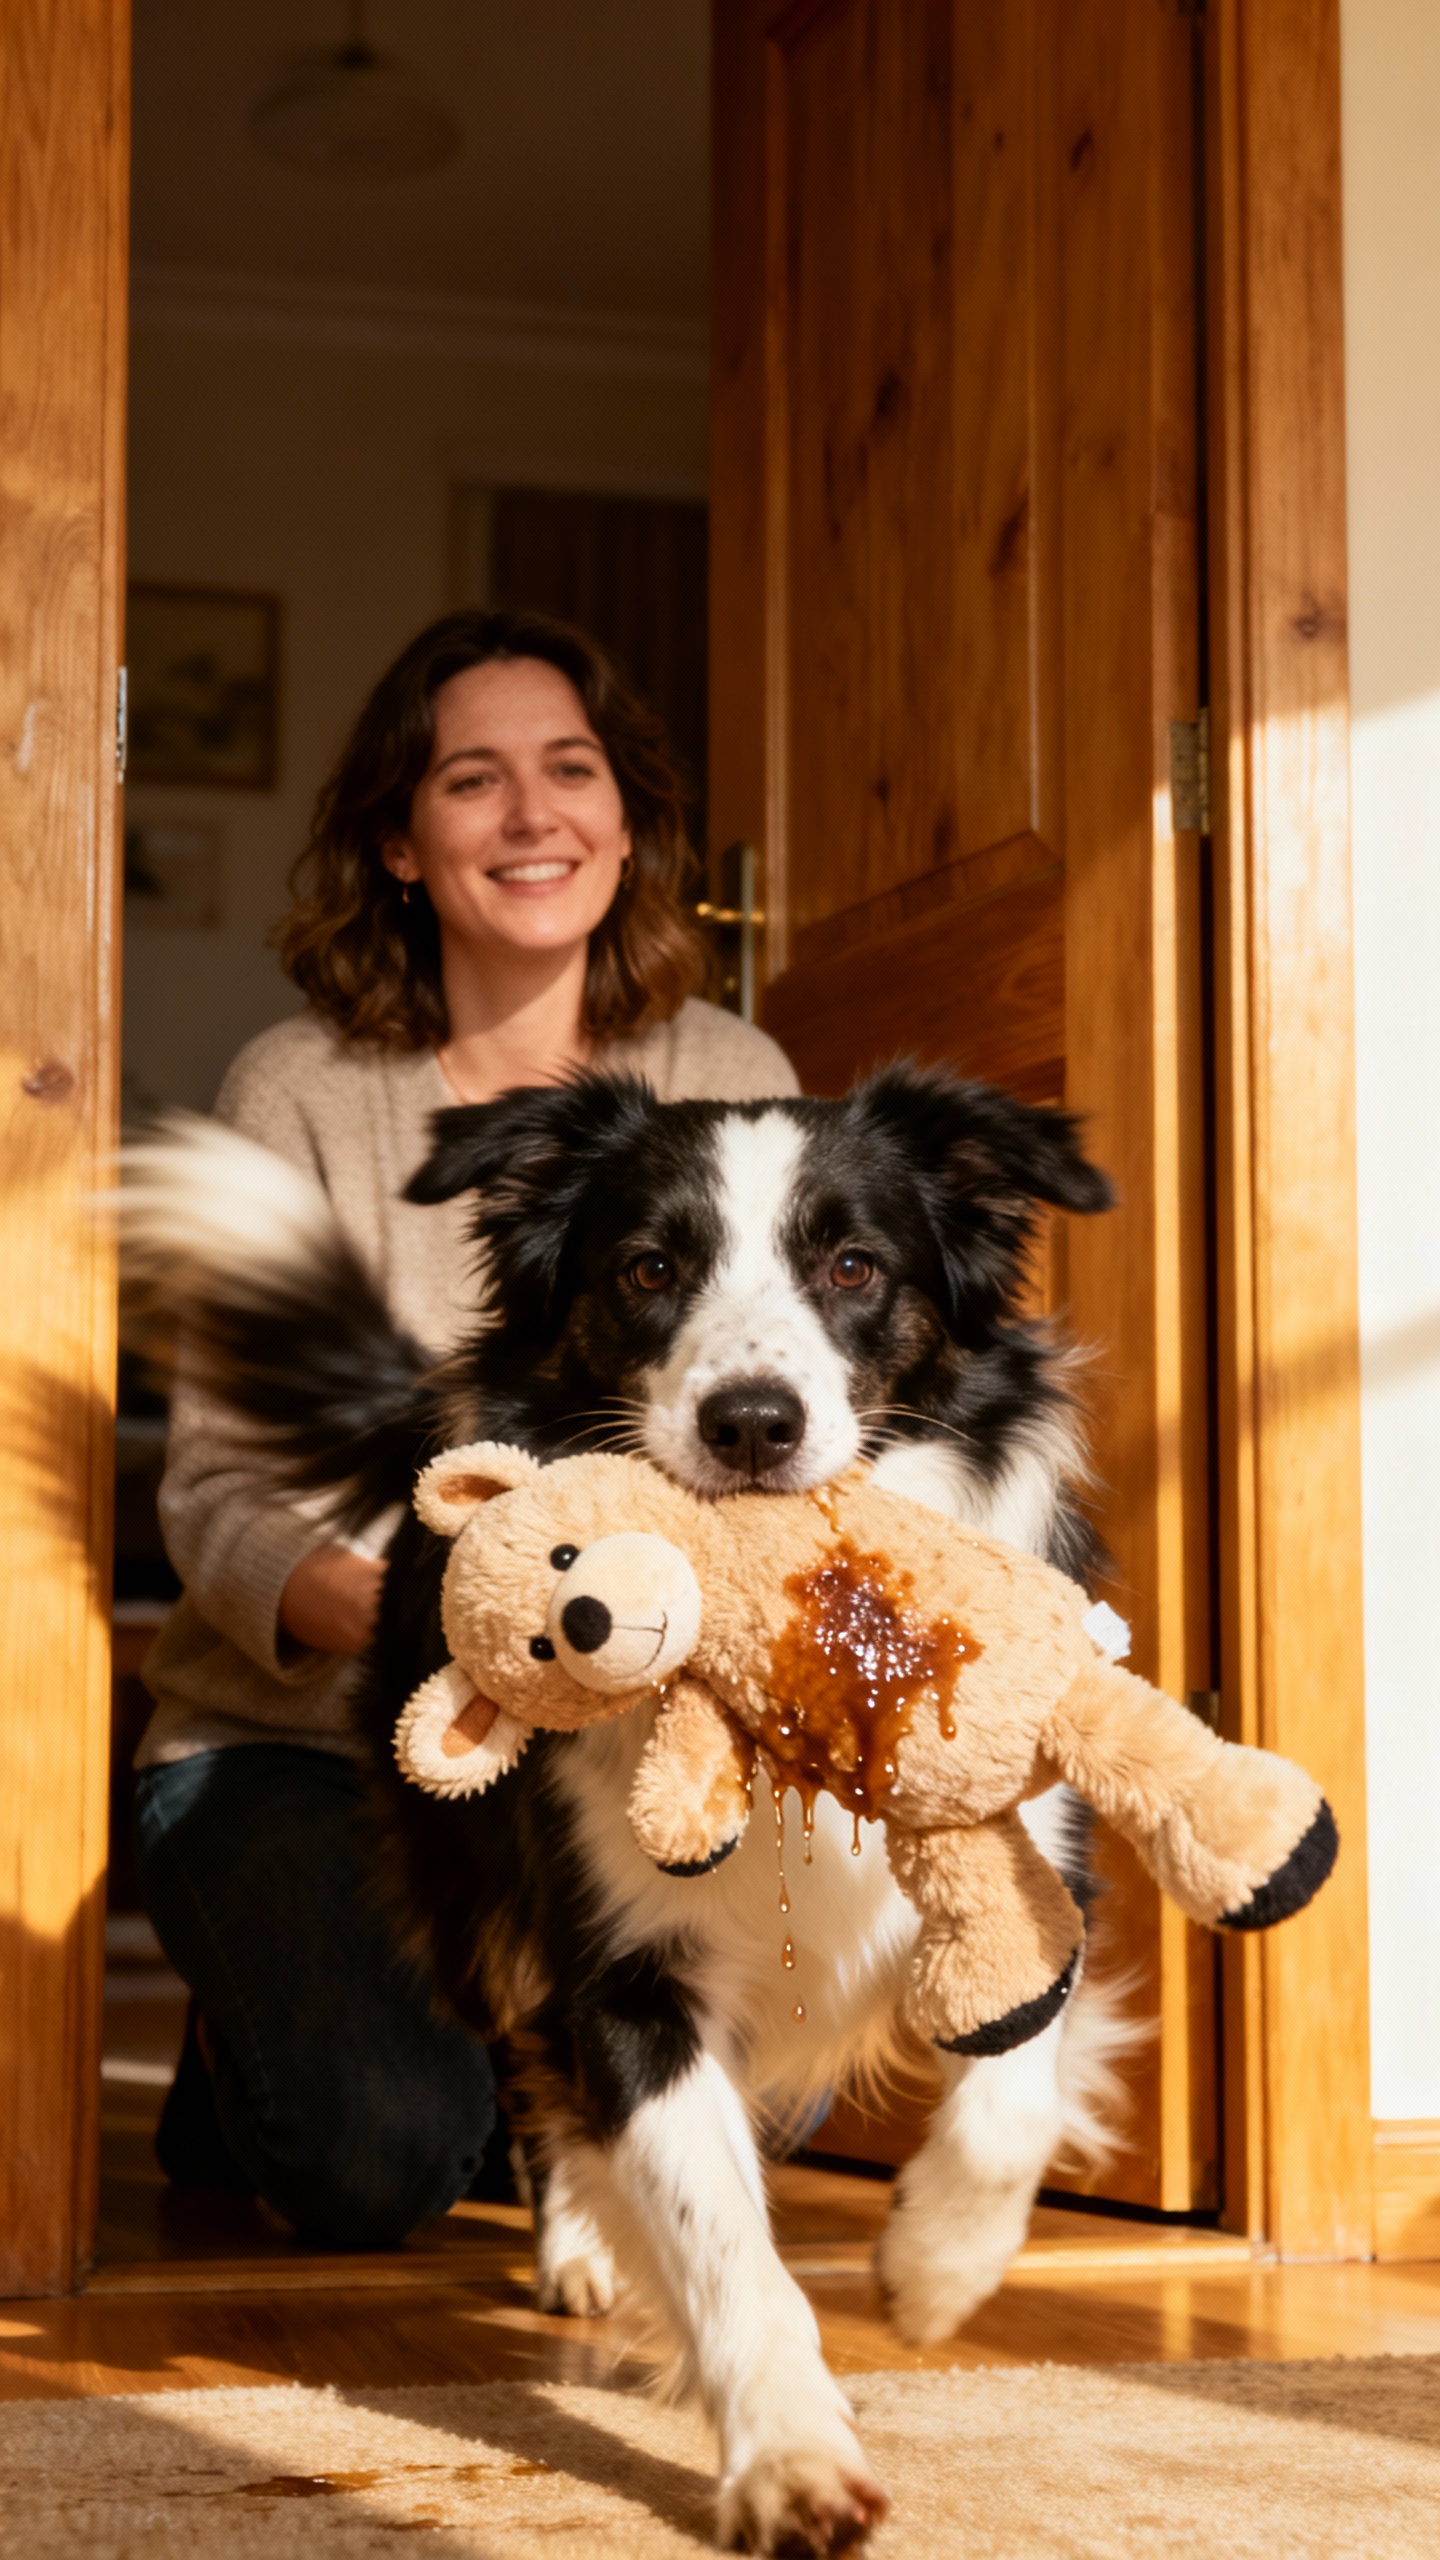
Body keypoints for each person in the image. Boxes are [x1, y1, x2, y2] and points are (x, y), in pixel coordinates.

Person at [133, 608, 798, 2248]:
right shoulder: (299, 1088)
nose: (531, 815)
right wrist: (451, 1633)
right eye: (471, 779)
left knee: (782, 2089)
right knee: (373, 2158)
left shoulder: (730, 1069)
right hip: (321, 1741)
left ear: (626, 824)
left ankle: (528, 2054)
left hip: (634, 1736)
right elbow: (217, 1497)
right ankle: (275, 2049)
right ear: (400, 843)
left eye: (571, 770)